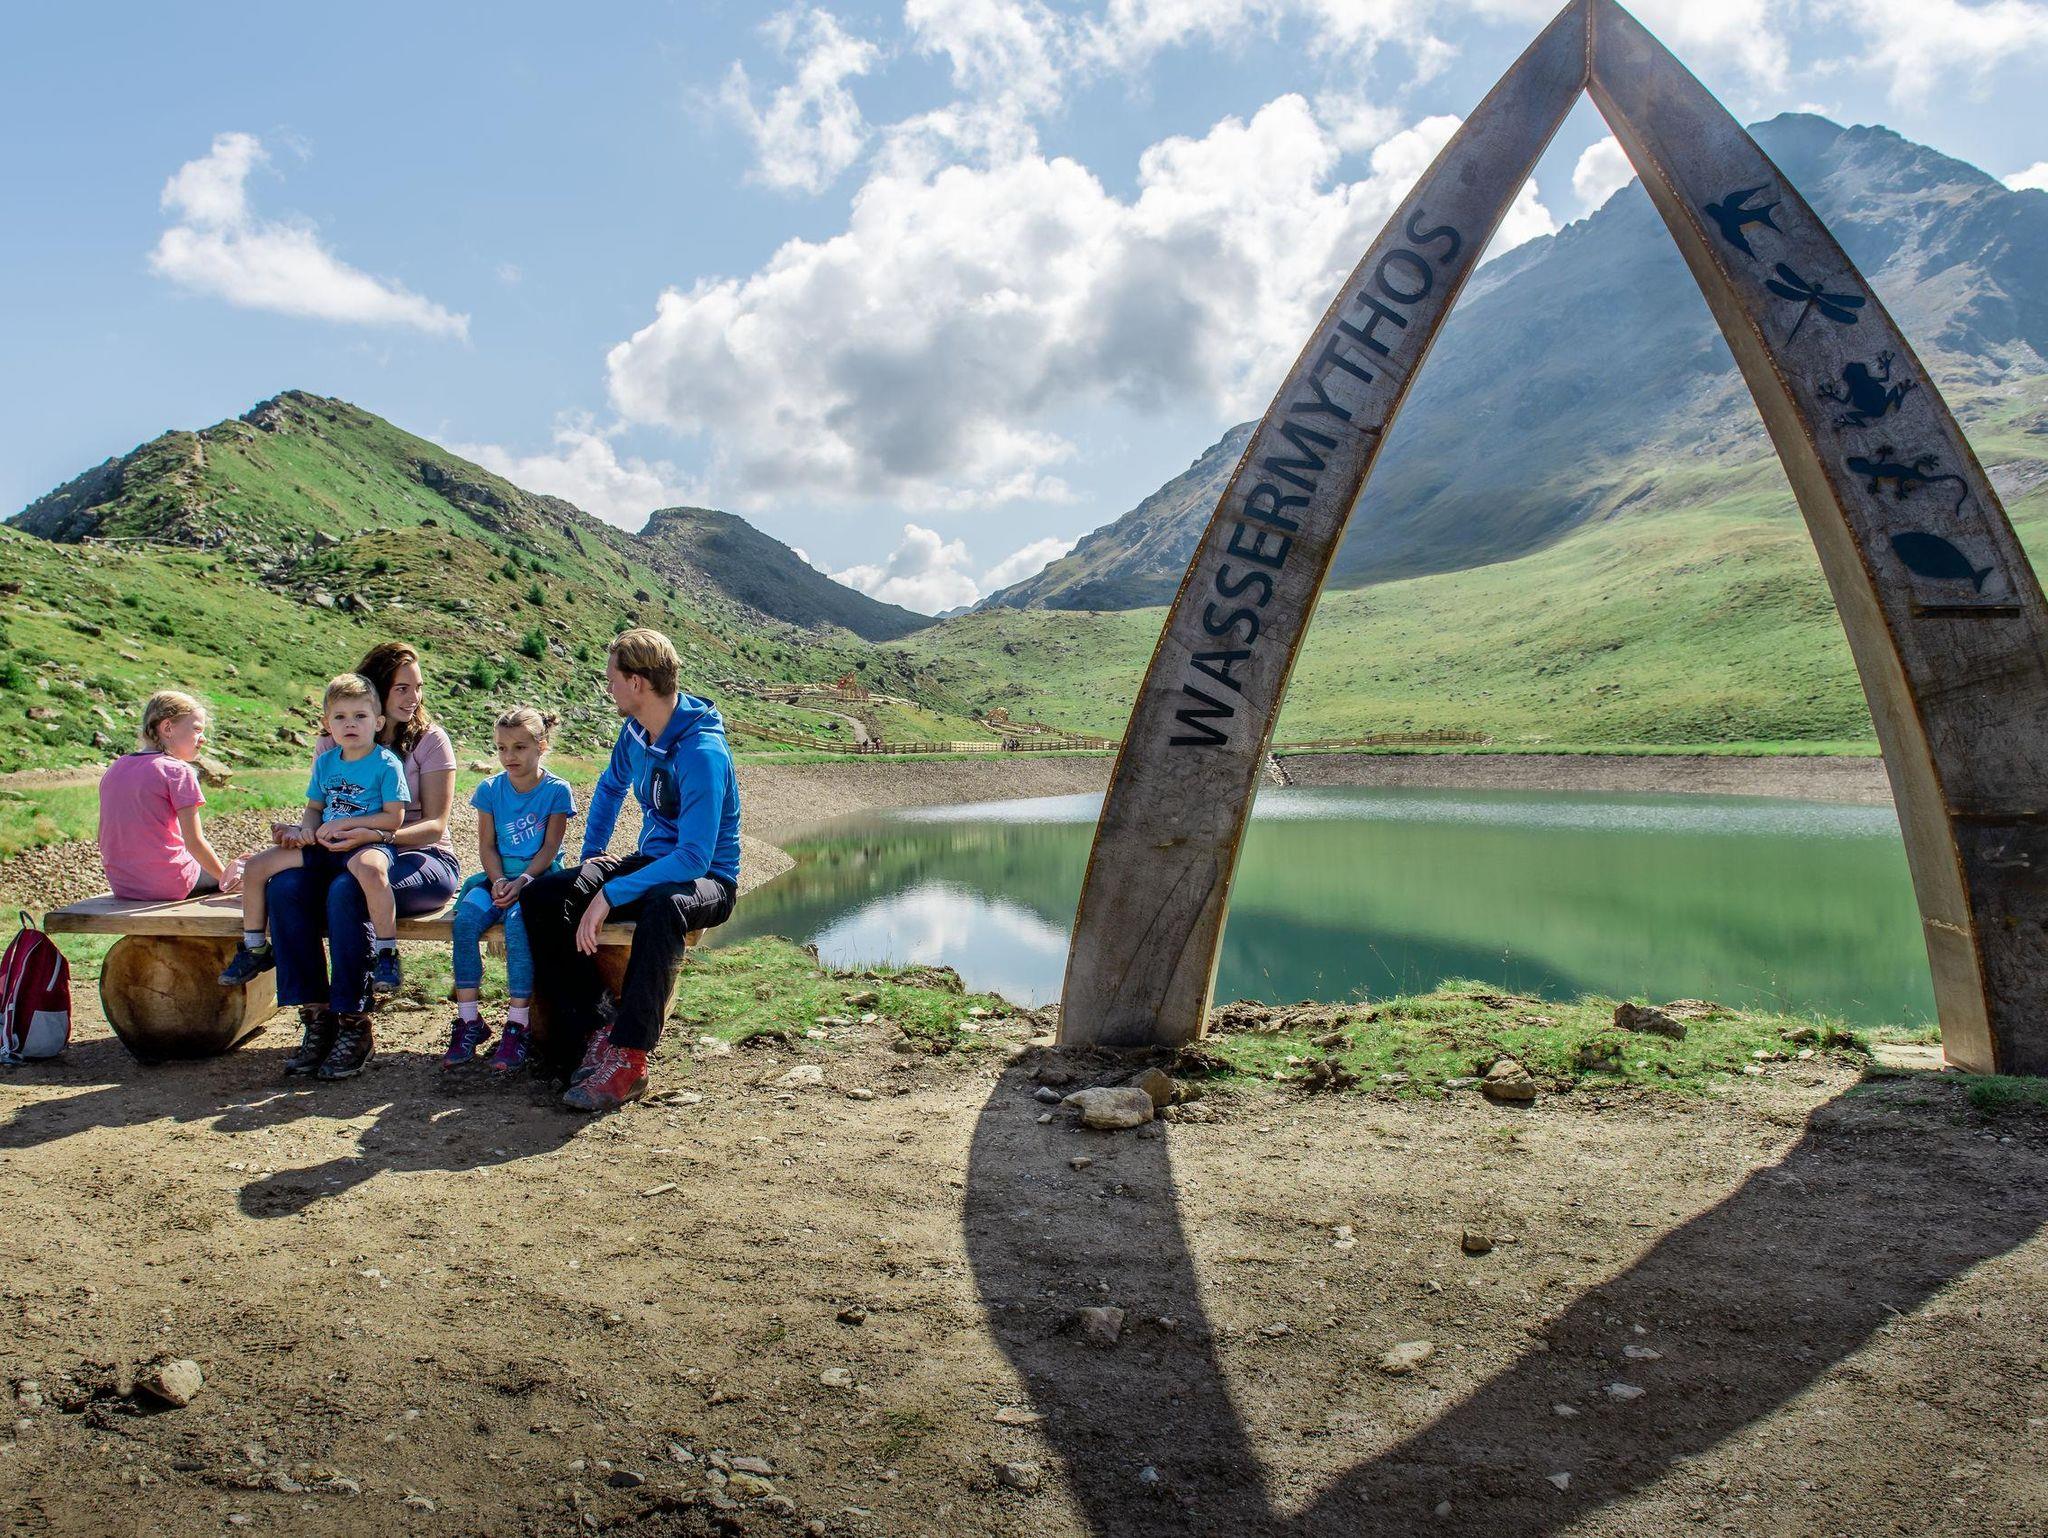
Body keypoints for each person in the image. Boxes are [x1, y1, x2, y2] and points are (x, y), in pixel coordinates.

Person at [519, 628, 740, 1112]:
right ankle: (595, 1027)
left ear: (637, 683)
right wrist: (594, 855)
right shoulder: (636, 732)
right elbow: (609, 787)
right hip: (654, 861)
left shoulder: (702, 752)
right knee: (543, 896)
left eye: (612, 678)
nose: (608, 687)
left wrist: (612, 893)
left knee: (664, 905)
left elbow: (695, 858)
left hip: (709, 879)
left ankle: (631, 1058)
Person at [264, 641, 461, 1080]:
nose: (414, 698)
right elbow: (322, 808)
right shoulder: (333, 741)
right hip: (347, 855)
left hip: (421, 858)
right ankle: (317, 1019)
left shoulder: (429, 741)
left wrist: (377, 835)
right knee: (285, 888)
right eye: (402, 688)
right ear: (376, 689)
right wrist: (303, 833)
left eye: (418, 688)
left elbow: (434, 825)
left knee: (347, 892)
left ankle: (354, 1022)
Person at [218, 676, 407, 1016]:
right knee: (257, 866)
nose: (350, 724)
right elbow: (315, 808)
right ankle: (255, 947)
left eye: (360, 716)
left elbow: (394, 818)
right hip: (323, 844)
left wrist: (348, 826)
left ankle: (387, 954)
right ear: (327, 723)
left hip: (363, 843)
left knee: (371, 870)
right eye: (340, 717)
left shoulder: (386, 763)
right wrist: (305, 830)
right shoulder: (326, 762)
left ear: (378, 723)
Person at [444, 706, 575, 1072]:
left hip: (538, 882)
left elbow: (549, 848)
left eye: (519, 747)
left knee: (518, 926)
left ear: (541, 746)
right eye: (502, 748)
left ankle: (518, 1024)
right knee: (465, 922)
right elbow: (486, 846)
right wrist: (500, 880)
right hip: (496, 877)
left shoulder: (557, 791)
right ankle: (469, 1019)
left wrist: (522, 882)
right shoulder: (489, 789)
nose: (509, 756)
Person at [97, 690, 230, 901]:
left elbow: (104, 835)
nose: (203, 739)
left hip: (123, 885)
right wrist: (228, 881)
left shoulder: (116, 767)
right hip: (170, 884)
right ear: (167, 727)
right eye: (197, 729)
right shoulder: (177, 770)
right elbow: (194, 842)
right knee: (242, 873)